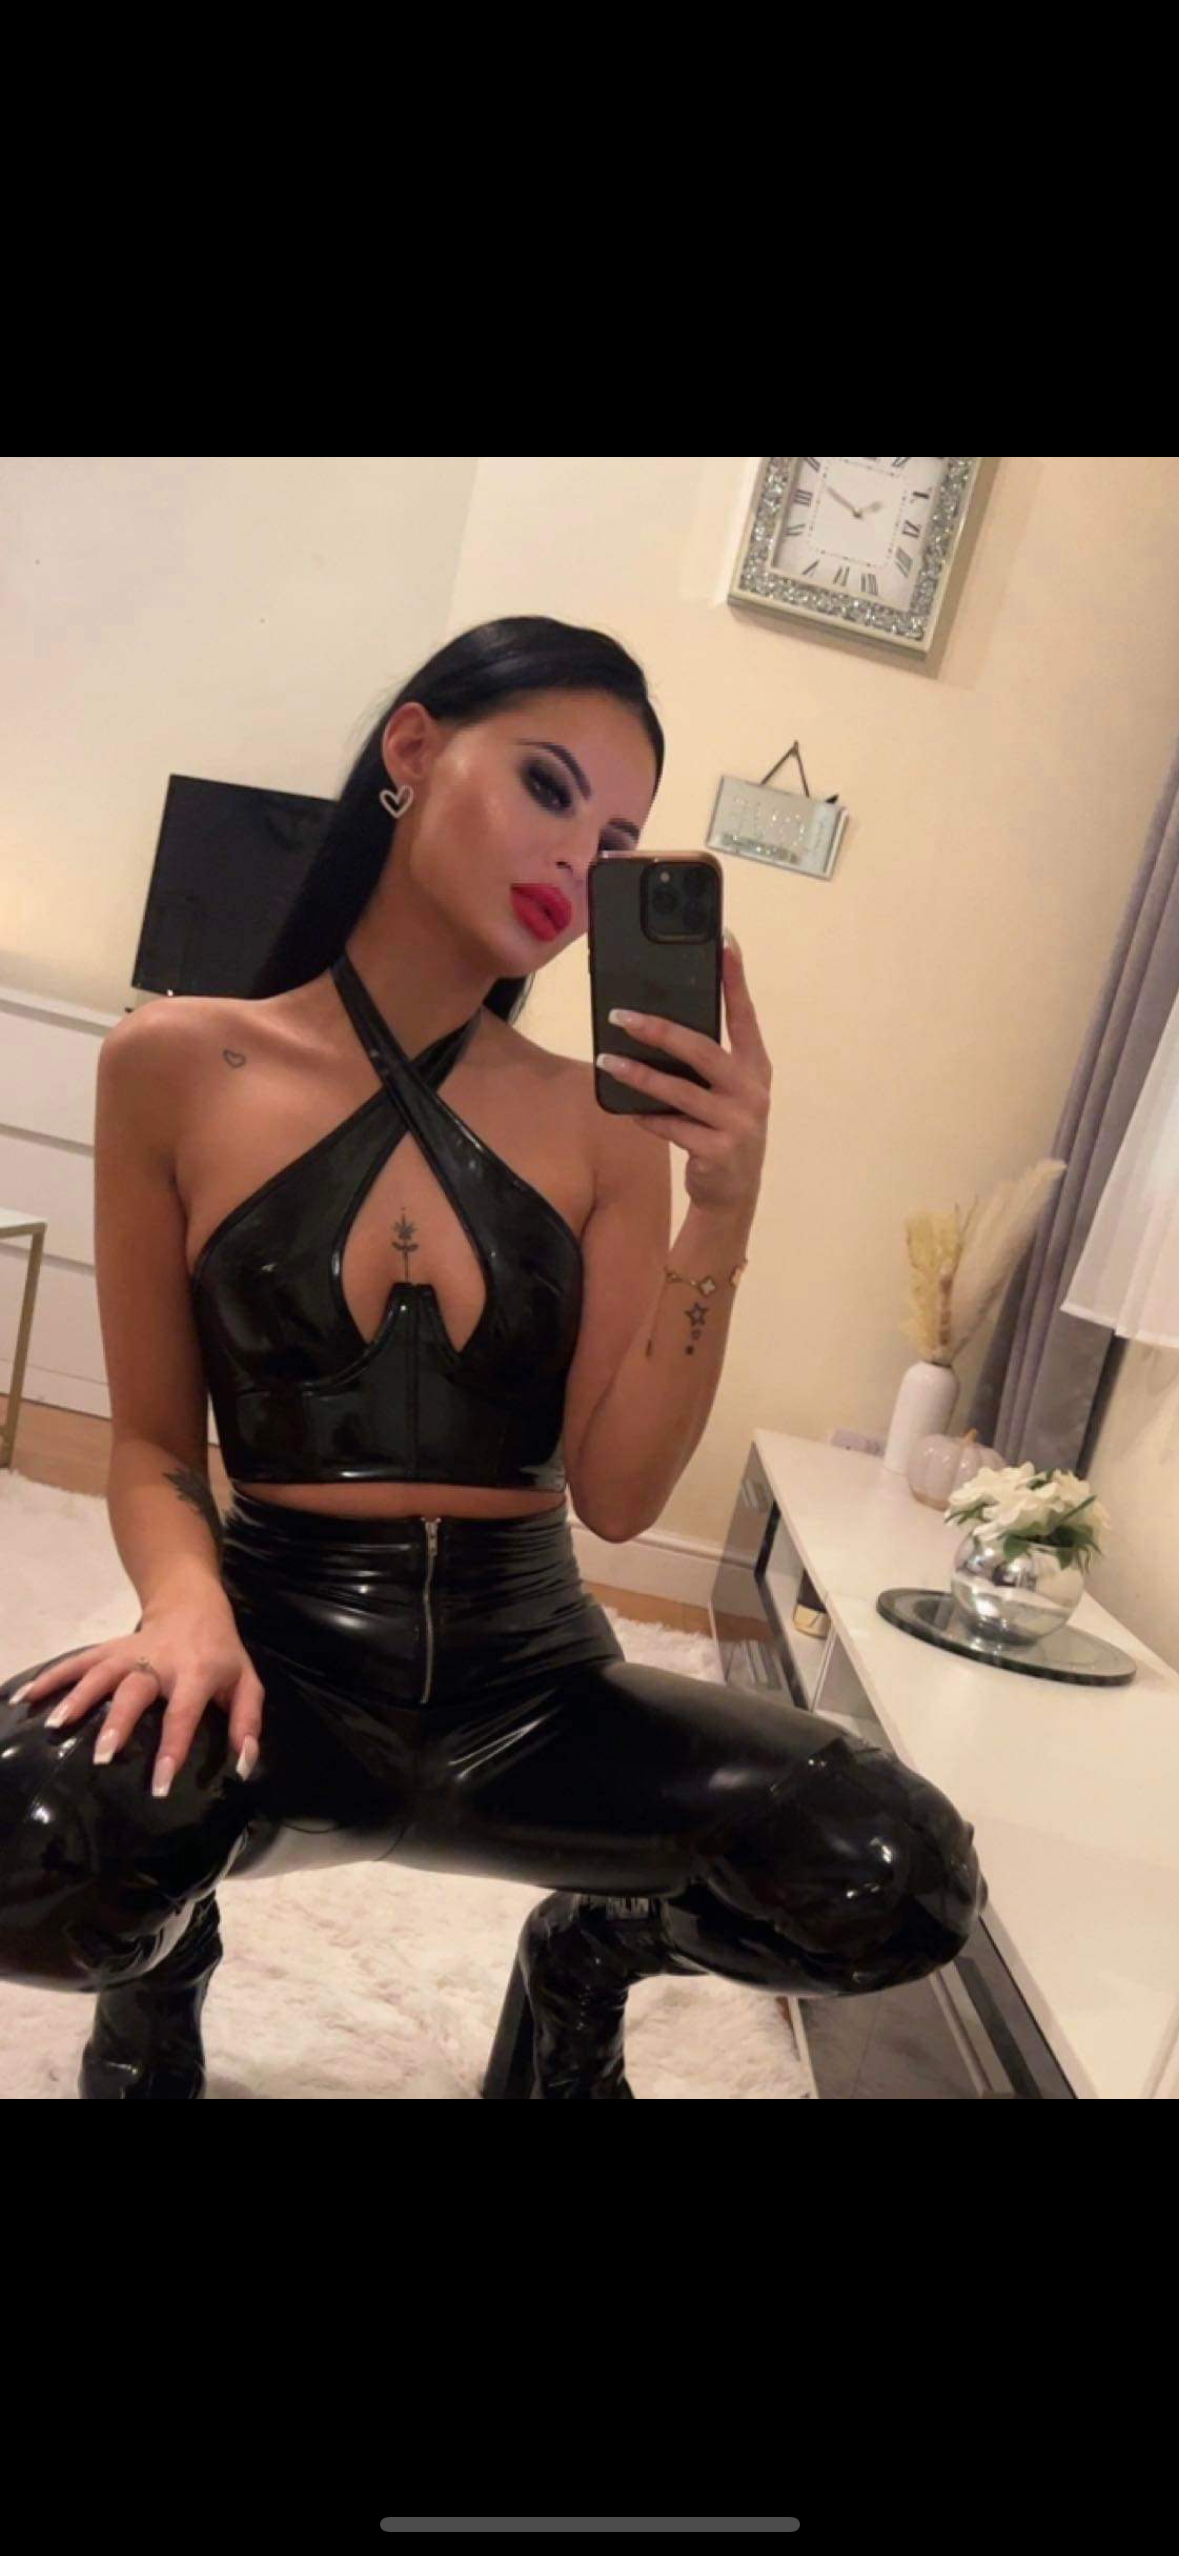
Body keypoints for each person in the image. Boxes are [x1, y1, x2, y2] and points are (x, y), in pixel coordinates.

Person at [0, 613, 987, 2098]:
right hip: (277, 1665)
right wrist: (184, 1612)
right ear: (412, 748)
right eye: (546, 787)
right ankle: (165, 1970)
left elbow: (622, 1496)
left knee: (897, 1874)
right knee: (31, 1837)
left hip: (535, 1687)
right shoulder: (175, 1064)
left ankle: (582, 1964)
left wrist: (723, 1209)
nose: (577, 862)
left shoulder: (603, 1119)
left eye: (618, 843)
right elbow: (148, 1443)